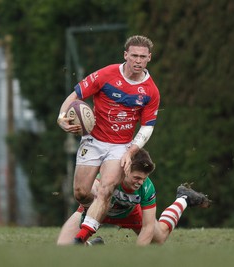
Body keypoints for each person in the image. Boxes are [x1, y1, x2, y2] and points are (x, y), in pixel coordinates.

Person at [57, 35, 160, 244]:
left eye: (142, 56)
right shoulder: (106, 74)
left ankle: (81, 238)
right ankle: (98, 220)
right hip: (92, 140)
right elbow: (74, 97)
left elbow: (147, 127)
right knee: (81, 193)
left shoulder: (151, 91)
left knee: (106, 188)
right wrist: (61, 118)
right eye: (134, 56)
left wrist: (131, 151)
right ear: (126, 55)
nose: (138, 61)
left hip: (120, 147)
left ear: (149, 57)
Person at [57, 149, 211, 246]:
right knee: (64, 247)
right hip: (96, 211)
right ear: (125, 169)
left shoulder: (147, 187)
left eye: (144, 178)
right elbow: (86, 193)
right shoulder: (109, 175)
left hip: (130, 214)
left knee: (160, 237)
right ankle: (92, 246)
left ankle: (183, 198)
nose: (141, 182)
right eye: (137, 177)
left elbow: (148, 227)